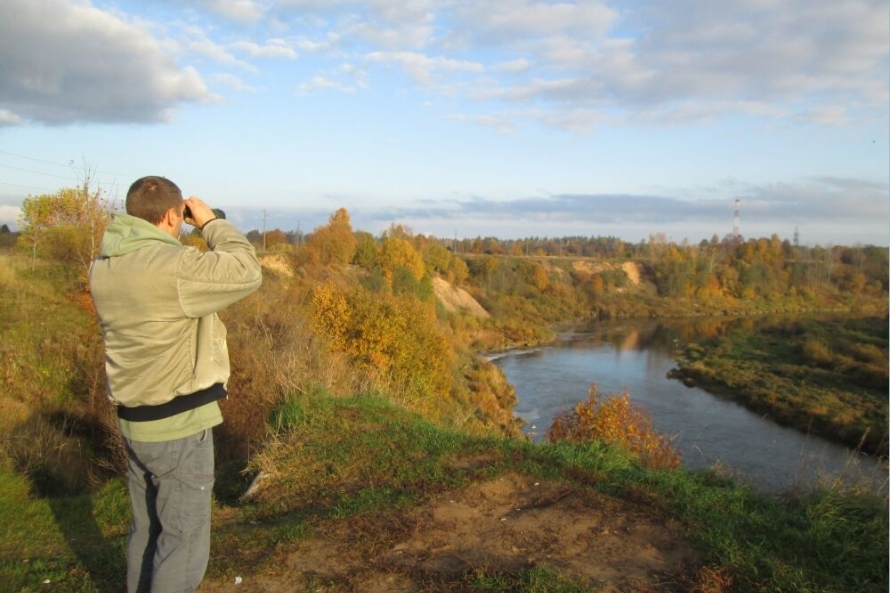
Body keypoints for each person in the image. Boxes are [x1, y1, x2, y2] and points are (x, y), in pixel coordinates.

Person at [89, 176, 262, 592]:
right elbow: (246, 269)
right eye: (178, 217)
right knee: (181, 541)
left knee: (146, 532)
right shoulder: (173, 269)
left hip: (135, 423)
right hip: (179, 427)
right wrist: (208, 224)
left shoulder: (104, 266)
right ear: (171, 215)